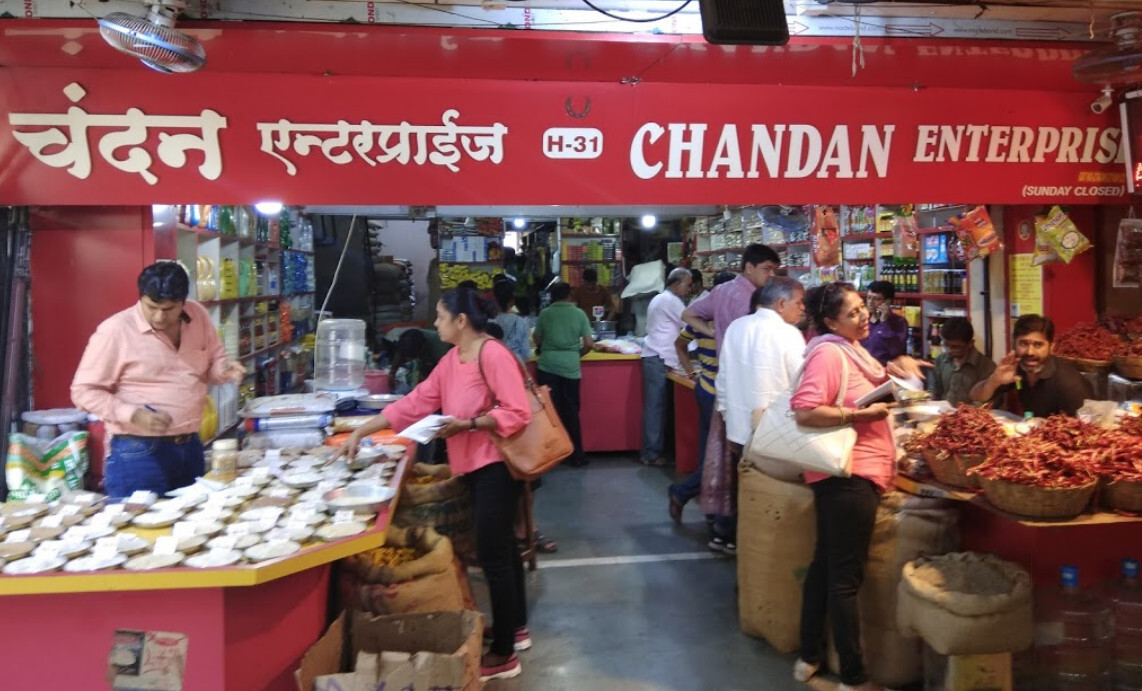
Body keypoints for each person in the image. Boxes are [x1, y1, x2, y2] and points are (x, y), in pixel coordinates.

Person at [339, 288, 532, 683]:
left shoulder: (492, 354)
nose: (436, 323)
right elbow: (417, 401)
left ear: (461, 320)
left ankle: (504, 655)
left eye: (441, 317)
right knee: (503, 549)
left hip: (497, 466)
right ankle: (515, 627)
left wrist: (469, 424)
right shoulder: (452, 359)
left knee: (494, 554)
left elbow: (517, 412)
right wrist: (364, 429)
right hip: (474, 465)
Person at [790, 282, 928, 691]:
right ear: (831, 322)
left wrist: (899, 371)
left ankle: (809, 655)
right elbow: (805, 411)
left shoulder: (853, 349)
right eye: (852, 312)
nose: (864, 314)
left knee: (825, 567)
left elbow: (865, 391)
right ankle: (854, 678)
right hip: (849, 475)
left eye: (862, 307)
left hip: (851, 474)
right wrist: (858, 416)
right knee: (844, 579)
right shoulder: (830, 353)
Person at [71, 262, 246, 499]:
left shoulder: (198, 316)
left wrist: (223, 370)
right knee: (137, 520)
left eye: (169, 309)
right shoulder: (115, 330)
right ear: (141, 298)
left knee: (191, 517)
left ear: (183, 302)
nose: (159, 316)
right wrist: (133, 414)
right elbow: (83, 391)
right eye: (151, 307)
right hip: (137, 450)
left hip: (190, 445)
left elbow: (212, 363)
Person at [668, 271, 735, 522]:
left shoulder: (700, 321)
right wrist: (691, 372)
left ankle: (709, 504)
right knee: (724, 453)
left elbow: (680, 345)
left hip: (706, 389)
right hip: (718, 394)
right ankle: (691, 495)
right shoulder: (726, 322)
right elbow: (680, 345)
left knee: (710, 450)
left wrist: (691, 373)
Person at [968, 314, 1092, 417]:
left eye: (1038, 345)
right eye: (1023, 344)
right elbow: (975, 396)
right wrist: (993, 381)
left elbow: (1087, 429)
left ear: (1051, 347)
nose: (1030, 352)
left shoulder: (1069, 383)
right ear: (1014, 344)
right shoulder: (1016, 368)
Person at [533, 281, 594, 467]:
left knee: (550, 412)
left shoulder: (545, 314)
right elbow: (589, 344)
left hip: (547, 367)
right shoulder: (579, 314)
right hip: (570, 368)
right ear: (570, 295)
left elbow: (537, 338)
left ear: (552, 296)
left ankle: (552, 455)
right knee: (571, 412)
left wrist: (546, 346)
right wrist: (576, 354)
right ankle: (577, 456)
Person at [681, 243, 781, 354]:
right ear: (749, 268)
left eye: (774, 269)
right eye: (767, 269)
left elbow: (687, 315)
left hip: (726, 361)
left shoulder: (721, 290)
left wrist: (715, 333)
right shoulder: (751, 300)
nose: (772, 275)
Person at [640, 267, 693, 467]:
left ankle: (658, 450)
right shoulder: (670, 301)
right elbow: (690, 322)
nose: (689, 289)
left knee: (658, 407)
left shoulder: (661, 298)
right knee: (655, 408)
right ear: (676, 284)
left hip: (658, 356)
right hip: (658, 357)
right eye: (687, 285)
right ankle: (652, 453)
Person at [926, 317, 995, 406]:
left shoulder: (987, 367)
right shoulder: (940, 360)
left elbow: (988, 404)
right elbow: (934, 392)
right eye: (946, 345)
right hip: (942, 412)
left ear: (970, 344)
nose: (949, 351)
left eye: (955, 347)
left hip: (970, 414)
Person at [860, 280, 910, 366]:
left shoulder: (899, 322)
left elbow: (896, 351)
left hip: (886, 369)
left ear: (888, 302)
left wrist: (884, 322)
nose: (870, 302)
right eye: (869, 297)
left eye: (877, 299)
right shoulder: (863, 320)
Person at [492, 280, 532, 364]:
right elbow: (526, 353)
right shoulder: (521, 321)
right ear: (512, 300)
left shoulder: (489, 322)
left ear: (494, 299)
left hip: (495, 363)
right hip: (516, 363)